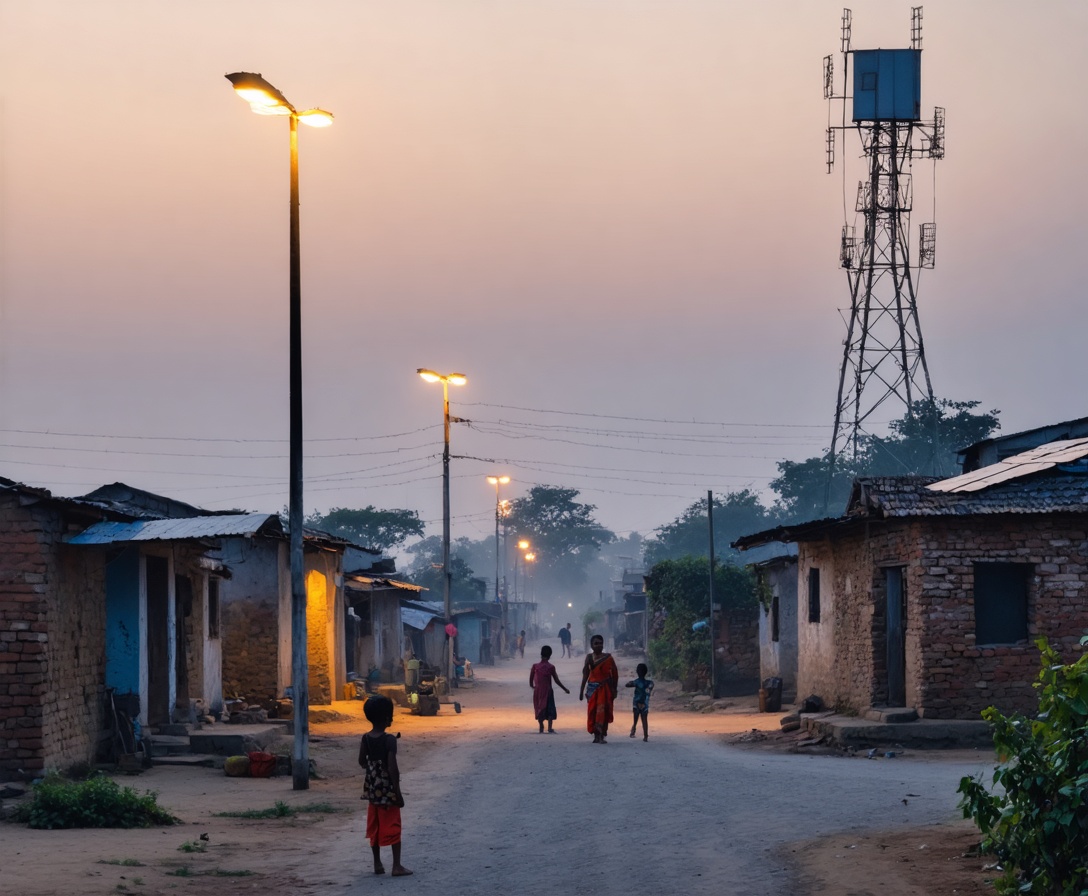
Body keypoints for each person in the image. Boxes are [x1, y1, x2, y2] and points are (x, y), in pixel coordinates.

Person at [358, 695, 412, 877]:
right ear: (387, 718)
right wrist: (397, 791)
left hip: (373, 789)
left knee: (375, 824)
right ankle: (396, 866)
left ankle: (377, 863)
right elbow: (392, 767)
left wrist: (372, 769)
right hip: (388, 790)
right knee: (393, 824)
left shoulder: (365, 738)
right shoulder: (389, 740)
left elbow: (361, 761)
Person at [579, 634, 618, 744]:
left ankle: (601, 735)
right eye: (596, 643)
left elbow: (615, 674)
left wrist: (614, 689)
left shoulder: (608, 658)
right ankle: (596, 735)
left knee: (603, 711)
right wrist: (581, 691)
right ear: (591, 645)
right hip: (592, 689)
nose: (599, 646)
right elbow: (585, 675)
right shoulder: (589, 658)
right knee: (592, 711)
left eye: (600, 643)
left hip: (605, 688)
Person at [529, 645, 570, 733]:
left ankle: (541, 726)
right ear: (550, 655)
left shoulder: (535, 666)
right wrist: (565, 689)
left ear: (541, 654)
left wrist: (533, 687)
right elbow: (556, 680)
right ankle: (550, 727)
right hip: (548, 691)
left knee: (539, 707)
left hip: (538, 691)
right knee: (550, 708)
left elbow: (531, 679)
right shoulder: (551, 667)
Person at [626, 662, 655, 742]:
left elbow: (627, 684)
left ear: (637, 672)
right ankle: (645, 736)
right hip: (645, 703)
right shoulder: (649, 683)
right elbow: (650, 688)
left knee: (635, 718)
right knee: (644, 719)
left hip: (636, 702)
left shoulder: (636, 682)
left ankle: (633, 730)